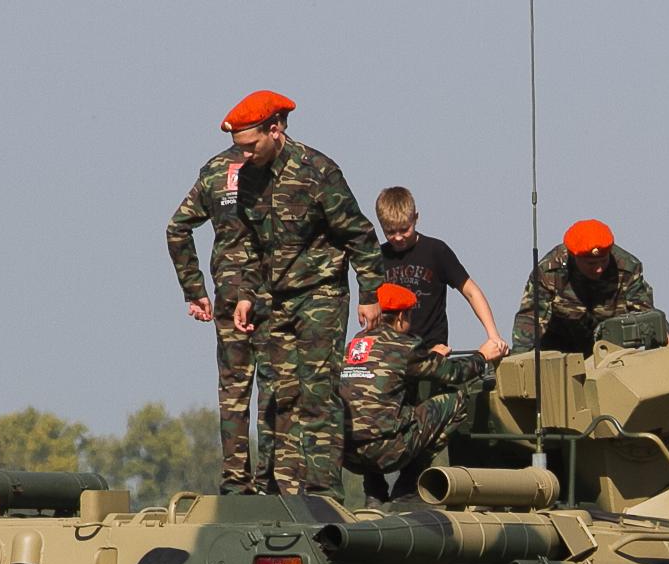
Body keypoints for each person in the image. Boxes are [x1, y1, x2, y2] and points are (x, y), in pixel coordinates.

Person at [217, 92, 385, 497]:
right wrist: (243, 293)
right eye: (238, 148)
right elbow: (247, 243)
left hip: (319, 295)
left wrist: (370, 293)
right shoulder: (248, 176)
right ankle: (284, 492)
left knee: (317, 393)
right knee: (279, 394)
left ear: (275, 130)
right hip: (272, 299)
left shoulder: (317, 172)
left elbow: (360, 235)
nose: (243, 155)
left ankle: (323, 491)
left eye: (250, 145)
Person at [166, 96, 277, 492]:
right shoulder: (273, 168)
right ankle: (268, 482)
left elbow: (176, 228)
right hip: (273, 291)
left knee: (233, 391)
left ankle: (234, 482)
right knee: (274, 388)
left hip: (228, 294)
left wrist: (194, 290)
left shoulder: (214, 171)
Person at [341, 283, 501, 499]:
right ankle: (409, 485)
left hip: (349, 455)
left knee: (375, 412)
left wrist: (429, 357)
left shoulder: (354, 344)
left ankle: (374, 493)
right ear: (400, 318)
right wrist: (482, 357)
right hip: (387, 452)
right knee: (457, 400)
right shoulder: (405, 346)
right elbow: (454, 373)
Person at [375, 188, 509, 359]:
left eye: (404, 229)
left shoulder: (436, 251)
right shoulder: (376, 258)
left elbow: (471, 291)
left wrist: (493, 336)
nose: (399, 237)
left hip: (433, 351)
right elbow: (369, 305)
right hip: (391, 354)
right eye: (390, 232)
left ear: (416, 218)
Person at [510, 221, 656, 355]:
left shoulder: (627, 268)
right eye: (591, 264)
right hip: (560, 353)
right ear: (574, 257)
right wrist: (520, 361)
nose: (599, 269)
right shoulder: (549, 271)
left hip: (612, 352)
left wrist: (661, 338)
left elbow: (646, 314)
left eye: (603, 261)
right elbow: (530, 319)